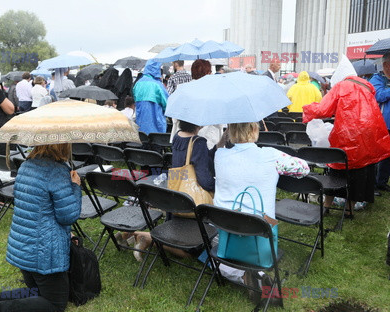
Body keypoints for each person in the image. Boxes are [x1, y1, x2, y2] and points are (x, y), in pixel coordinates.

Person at [0, 143, 82, 312]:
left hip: (23, 249)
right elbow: (68, 216)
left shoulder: (26, 165)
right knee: (56, 302)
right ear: (63, 145)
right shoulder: (57, 172)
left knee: (35, 292)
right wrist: (75, 187)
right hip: (44, 253)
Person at [214, 122, 309, 290]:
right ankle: (250, 274)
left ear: (230, 131)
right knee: (262, 219)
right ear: (254, 129)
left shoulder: (219, 155)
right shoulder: (271, 155)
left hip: (224, 225)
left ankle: (239, 273)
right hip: (259, 227)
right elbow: (304, 169)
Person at [303, 75, 390, 215]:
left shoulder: (341, 87)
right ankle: (349, 210)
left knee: (338, 166)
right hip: (367, 135)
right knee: (359, 170)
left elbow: (323, 110)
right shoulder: (368, 89)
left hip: (346, 134)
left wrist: (307, 109)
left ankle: (326, 206)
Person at [132, 120, 216, 261]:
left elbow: (196, 158)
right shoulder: (198, 142)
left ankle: (128, 234)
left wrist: (217, 147)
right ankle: (147, 238)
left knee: (181, 240)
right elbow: (205, 180)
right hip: (192, 203)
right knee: (193, 252)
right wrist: (217, 186)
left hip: (177, 199)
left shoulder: (178, 137)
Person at [171, 59, 224, 149]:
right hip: (209, 141)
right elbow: (220, 121)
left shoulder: (181, 89)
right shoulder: (214, 92)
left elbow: (175, 118)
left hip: (184, 140)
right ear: (207, 72)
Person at [370, 52, 390, 191]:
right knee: (380, 155)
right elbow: (378, 95)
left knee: (388, 157)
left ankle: (382, 182)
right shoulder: (377, 78)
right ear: (385, 65)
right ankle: (375, 184)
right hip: (382, 123)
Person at [132, 60, 168, 134]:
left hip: (140, 127)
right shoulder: (157, 85)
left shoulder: (138, 84)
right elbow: (167, 104)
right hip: (156, 128)